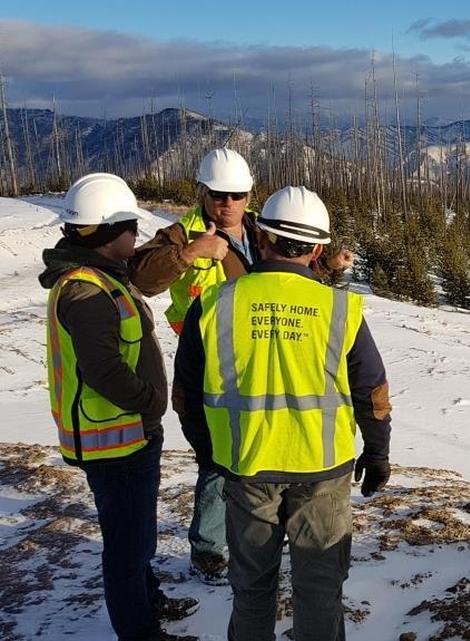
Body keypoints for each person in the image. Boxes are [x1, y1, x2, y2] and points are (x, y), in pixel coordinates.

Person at [173, 186, 391, 641]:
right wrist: (377, 454)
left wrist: (209, 453)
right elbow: (371, 392)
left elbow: (187, 395)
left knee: (252, 589)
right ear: (317, 250)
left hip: (247, 469)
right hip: (322, 471)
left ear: (263, 238)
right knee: (320, 589)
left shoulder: (214, 305)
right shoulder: (339, 308)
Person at [130, 148, 352, 583]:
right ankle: (211, 549)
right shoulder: (181, 235)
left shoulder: (260, 230)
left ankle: (263, 536)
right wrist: (191, 253)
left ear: (250, 195)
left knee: (255, 450)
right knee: (217, 458)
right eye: (218, 194)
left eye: (236, 194)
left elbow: (286, 279)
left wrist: (325, 266)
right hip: (211, 357)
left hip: (260, 350)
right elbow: (140, 277)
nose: (227, 203)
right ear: (202, 192)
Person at [40, 173, 197, 641]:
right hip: (114, 441)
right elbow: (103, 370)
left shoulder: (103, 277)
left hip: (128, 435)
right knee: (127, 547)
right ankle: (139, 629)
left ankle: (149, 601)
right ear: (110, 234)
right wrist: (151, 402)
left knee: (138, 534)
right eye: (131, 226)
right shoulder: (87, 293)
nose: (137, 233)